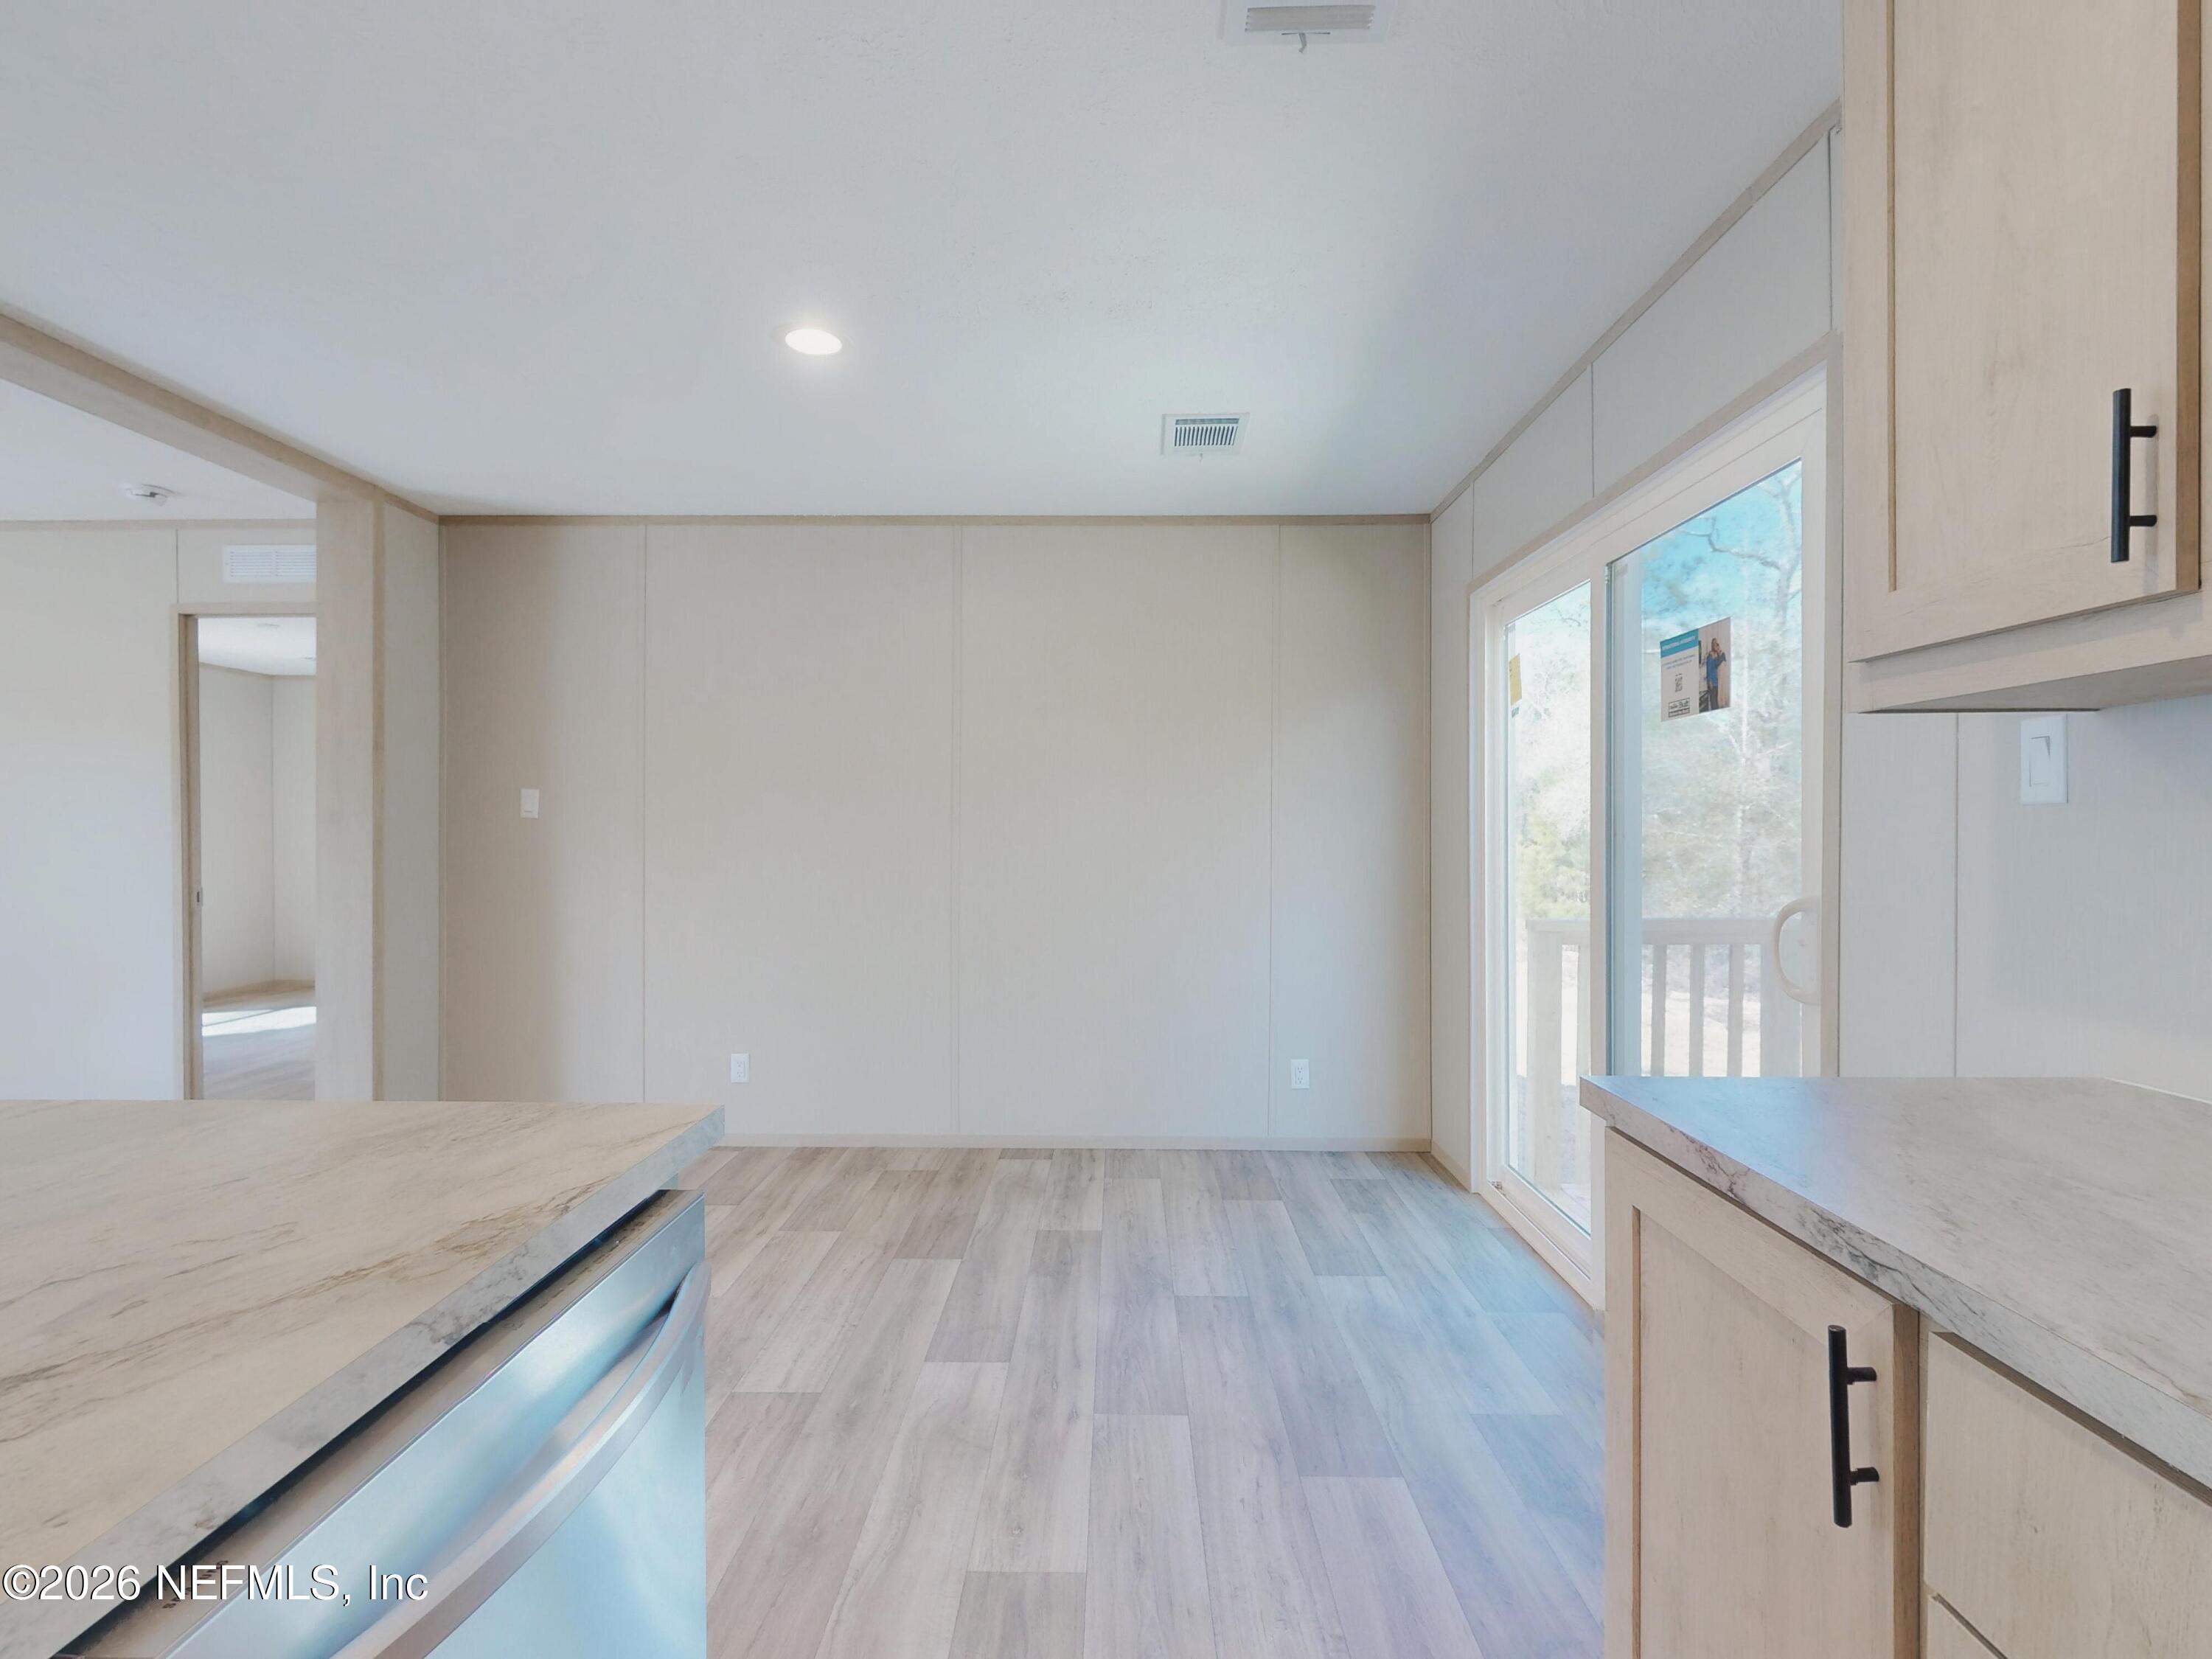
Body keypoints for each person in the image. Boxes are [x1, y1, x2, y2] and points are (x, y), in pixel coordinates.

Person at [1701, 634, 1728, 712]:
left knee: (1716, 700)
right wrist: (1710, 681)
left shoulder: (1716, 655)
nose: (1716, 645)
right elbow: (1709, 669)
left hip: (1717, 681)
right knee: (1713, 702)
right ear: (1712, 645)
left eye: (1717, 644)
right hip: (1712, 682)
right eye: (1714, 644)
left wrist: (1720, 654)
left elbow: (1718, 666)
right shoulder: (1710, 655)